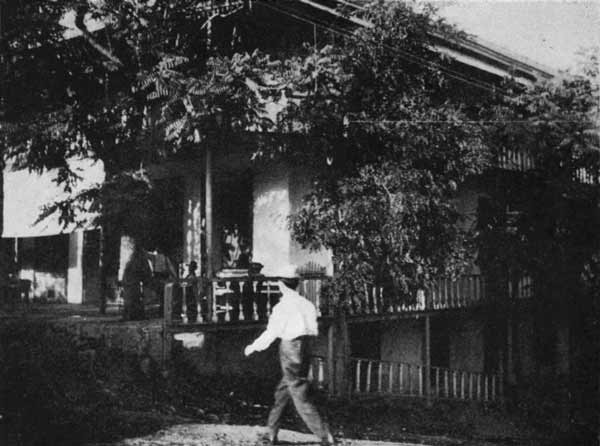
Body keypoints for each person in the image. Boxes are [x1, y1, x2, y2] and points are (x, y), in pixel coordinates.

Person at [244, 266, 335, 446]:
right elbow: (313, 330)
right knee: (283, 391)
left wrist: (253, 347)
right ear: (297, 284)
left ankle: (325, 436)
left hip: (290, 347)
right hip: (305, 346)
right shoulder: (307, 304)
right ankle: (271, 433)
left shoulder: (282, 307)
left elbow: (271, 333)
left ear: (281, 285)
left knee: (299, 393)